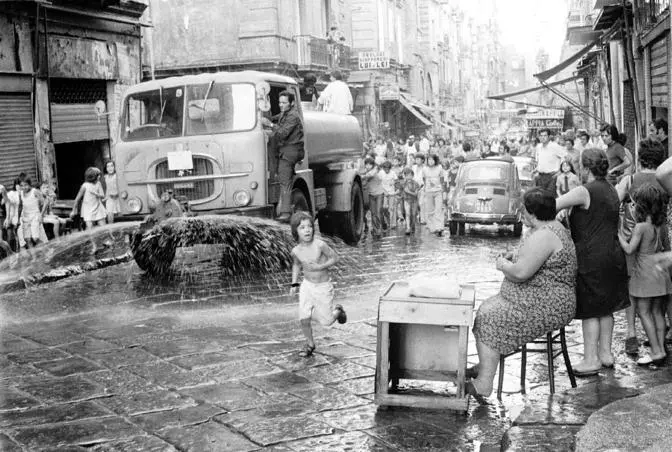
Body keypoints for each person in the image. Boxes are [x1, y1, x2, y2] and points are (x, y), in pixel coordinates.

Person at [467, 188, 577, 401]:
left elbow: (520, 274)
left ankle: (484, 384)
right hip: (541, 299)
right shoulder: (547, 228)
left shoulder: (545, 235)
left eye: (524, 211)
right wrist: (515, 255)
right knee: (487, 308)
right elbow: (532, 257)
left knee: (490, 317)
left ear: (533, 213)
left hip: (548, 306)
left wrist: (502, 264)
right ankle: (485, 366)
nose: (521, 214)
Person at [556, 148, 629, 375]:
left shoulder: (584, 191)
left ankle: (590, 360)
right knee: (606, 308)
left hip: (591, 256)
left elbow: (554, 204)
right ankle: (605, 355)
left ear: (584, 168)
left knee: (589, 309)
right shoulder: (611, 188)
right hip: (613, 254)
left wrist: (561, 211)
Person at [617, 138, 669, 353]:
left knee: (632, 290)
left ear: (640, 157)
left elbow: (614, 202)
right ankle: (662, 333)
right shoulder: (665, 181)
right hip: (660, 241)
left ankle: (631, 332)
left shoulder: (629, 180)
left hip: (632, 241)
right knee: (661, 293)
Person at [289, 211, 346, 358]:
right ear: (296, 231)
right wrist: (294, 284)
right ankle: (310, 344)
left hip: (322, 287)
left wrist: (321, 267)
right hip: (307, 286)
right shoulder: (296, 251)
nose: (307, 230)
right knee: (303, 317)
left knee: (326, 322)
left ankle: (338, 311)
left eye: (309, 226)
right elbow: (296, 265)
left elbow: (335, 258)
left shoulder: (320, 245)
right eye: (302, 227)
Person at [266, 90, 304, 222]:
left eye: (284, 103)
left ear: (292, 103)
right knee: (283, 179)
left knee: (285, 182)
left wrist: (270, 124)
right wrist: (269, 118)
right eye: (279, 102)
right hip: (287, 151)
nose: (281, 105)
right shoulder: (285, 114)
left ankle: (286, 213)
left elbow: (282, 133)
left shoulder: (293, 116)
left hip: (290, 152)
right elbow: (277, 117)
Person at [533, 128, 566, 194]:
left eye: (545, 136)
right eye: (541, 136)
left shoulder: (555, 146)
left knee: (549, 198)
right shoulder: (538, 147)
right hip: (540, 177)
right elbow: (539, 161)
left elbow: (566, 157)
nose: (543, 138)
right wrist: (535, 170)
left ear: (549, 137)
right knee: (540, 197)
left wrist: (560, 171)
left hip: (552, 177)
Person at [18, 176, 45, 248]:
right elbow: (20, 206)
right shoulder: (20, 193)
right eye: (22, 186)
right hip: (25, 217)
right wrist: (18, 219)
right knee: (27, 239)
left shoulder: (35, 191)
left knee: (35, 238)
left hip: (35, 216)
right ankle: (34, 258)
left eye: (26, 185)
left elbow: (44, 203)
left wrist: (41, 215)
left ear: (30, 184)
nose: (24, 187)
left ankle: (46, 250)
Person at [422, 154, 446, 236]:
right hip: (428, 191)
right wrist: (426, 187)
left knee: (438, 209)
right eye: (429, 160)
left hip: (438, 190)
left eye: (432, 160)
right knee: (430, 210)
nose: (430, 161)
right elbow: (424, 179)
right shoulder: (425, 169)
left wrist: (442, 188)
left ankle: (439, 227)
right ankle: (432, 227)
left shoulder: (439, 167)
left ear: (435, 160)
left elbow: (442, 178)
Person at [362, 157, 384, 238]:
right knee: (373, 213)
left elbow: (370, 175)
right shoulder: (365, 172)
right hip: (371, 195)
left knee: (378, 212)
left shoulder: (375, 169)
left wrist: (363, 176)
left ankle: (378, 229)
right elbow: (364, 184)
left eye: (369, 164)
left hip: (379, 194)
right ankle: (375, 230)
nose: (368, 166)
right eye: (366, 164)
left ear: (372, 165)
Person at [401, 167, 420, 235]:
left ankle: (412, 226)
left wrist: (411, 192)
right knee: (408, 214)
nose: (408, 177)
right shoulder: (403, 183)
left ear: (412, 175)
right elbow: (404, 191)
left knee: (414, 214)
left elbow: (416, 193)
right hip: (406, 200)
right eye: (407, 175)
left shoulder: (416, 183)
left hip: (414, 201)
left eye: (410, 175)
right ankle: (408, 228)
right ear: (405, 176)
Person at [380, 160, 398, 230]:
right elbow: (378, 183)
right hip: (383, 193)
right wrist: (384, 191)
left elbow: (396, 181)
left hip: (392, 193)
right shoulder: (381, 173)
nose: (386, 170)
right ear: (383, 168)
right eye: (385, 169)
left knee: (392, 208)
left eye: (388, 169)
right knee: (384, 207)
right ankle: (386, 222)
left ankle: (393, 224)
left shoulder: (393, 173)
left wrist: (394, 184)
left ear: (390, 168)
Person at [103, 160, 120, 224]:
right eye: (108, 166)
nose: (110, 168)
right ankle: (111, 231)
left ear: (115, 167)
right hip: (110, 198)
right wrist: (105, 197)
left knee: (120, 215)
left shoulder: (117, 176)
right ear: (106, 168)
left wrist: (118, 193)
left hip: (118, 198)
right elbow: (108, 188)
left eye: (112, 166)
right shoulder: (106, 177)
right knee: (110, 215)